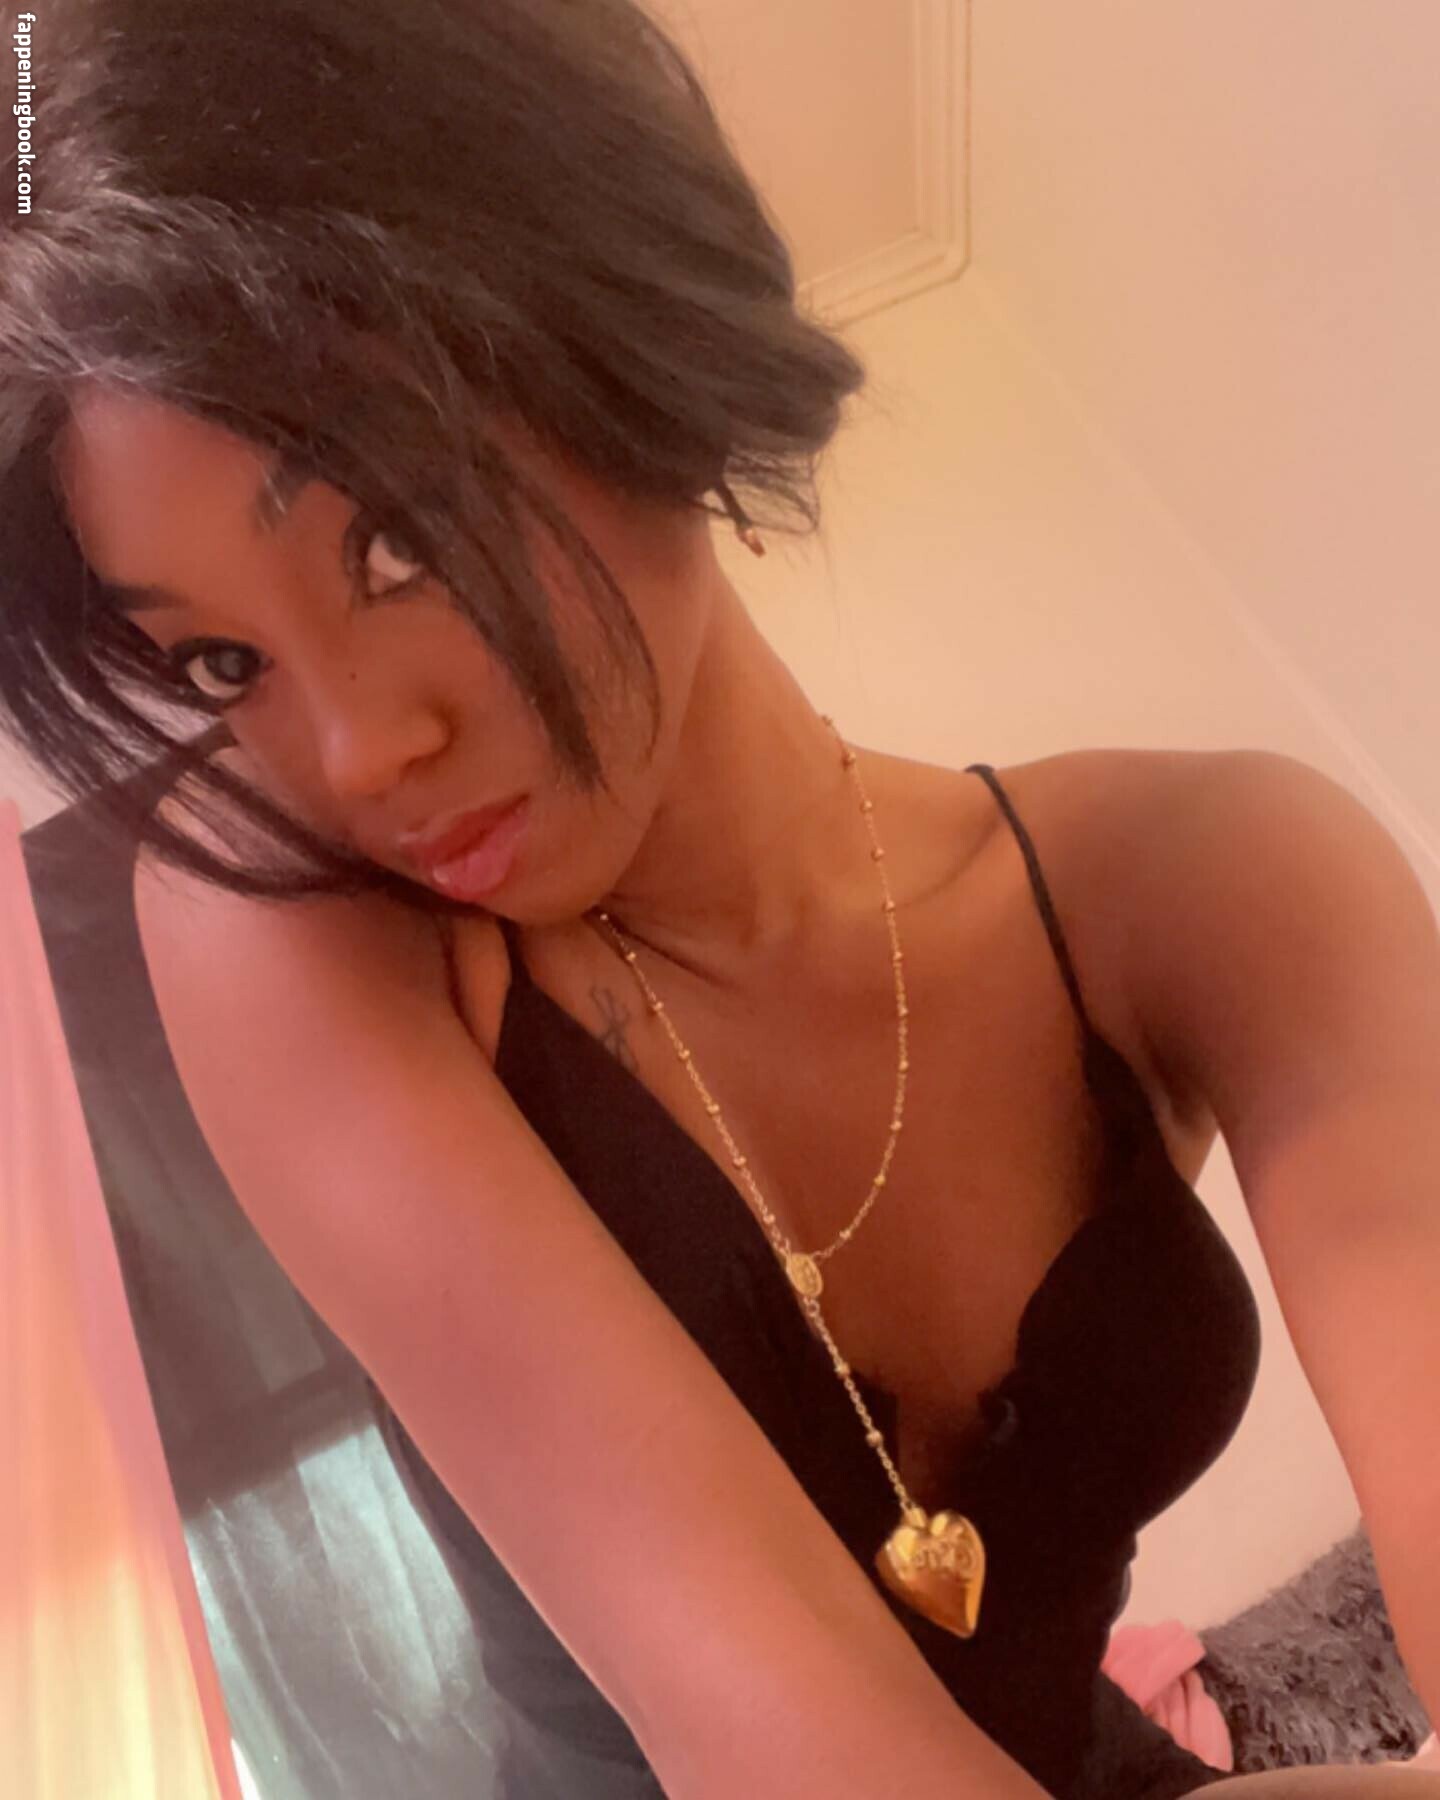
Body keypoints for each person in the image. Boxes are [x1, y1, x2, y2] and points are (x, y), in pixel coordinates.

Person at [4, 4, 1438, 1797]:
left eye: (395, 540)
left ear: (636, 342)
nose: (358, 750)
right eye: (220, 662)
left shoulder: (1219, 877)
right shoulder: (288, 927)